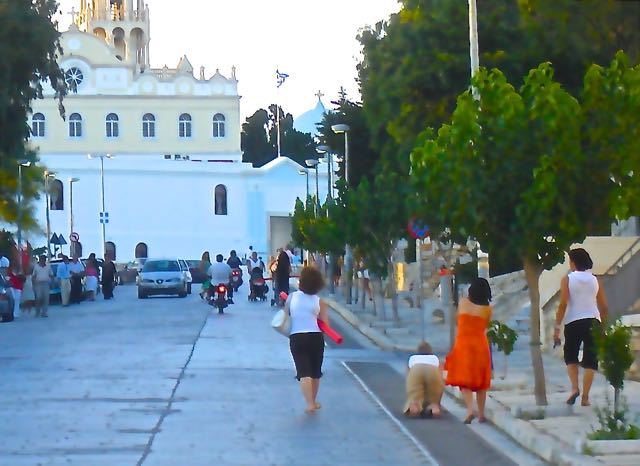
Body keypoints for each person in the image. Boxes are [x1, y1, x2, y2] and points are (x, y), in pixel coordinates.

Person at [554, 248, 608, 407]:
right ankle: (585, 397)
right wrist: (603, 328)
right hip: (593, 320)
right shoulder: (595, 280)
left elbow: (563, 304)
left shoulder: (567, 280)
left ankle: (574, 388)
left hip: (573, 321)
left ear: (573, 262)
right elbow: (604, 306)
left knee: (570, 356)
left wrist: (557, 327)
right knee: (591, 360)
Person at [444, 277, 492, 424]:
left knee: (464, 380)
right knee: (481, 383)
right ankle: (482, 414)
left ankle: (471, 409)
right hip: (480, 345)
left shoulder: (463, 302)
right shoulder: (488, 309)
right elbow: (486, 326)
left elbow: (457, 319)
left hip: (464, 344)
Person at [286, 266, 329, 414]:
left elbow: (286, 315)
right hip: (315, 337)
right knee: (315, 372)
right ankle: (314, 401)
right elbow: (326, 325)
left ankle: (309, 403)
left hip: (297, 336)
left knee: (303, 372)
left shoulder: (292, 297)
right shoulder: (320, 301)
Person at [404, 341, 444, 418]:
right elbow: (440, 376)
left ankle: (415, 407)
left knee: (415, 395)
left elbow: (408, 374)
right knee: (434, 396)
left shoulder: (412, 358)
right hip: (432, 370)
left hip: (416, 369)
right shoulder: (435, 358)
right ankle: (434, 408)